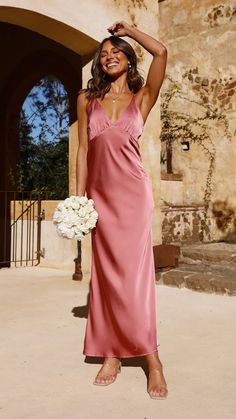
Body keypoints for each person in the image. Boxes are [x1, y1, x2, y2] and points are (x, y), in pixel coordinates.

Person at [76, 21, 168, 400]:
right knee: (106, 277)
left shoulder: (142, 97)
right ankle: (111, 353)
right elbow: (83, 151)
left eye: (117, 52)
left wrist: (129, 31)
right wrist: (80, 200)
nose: (109, 56)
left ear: (129, 60)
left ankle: (153, 360)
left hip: (132, 196)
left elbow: (161, 53)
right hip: (100, 198)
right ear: (99, 64)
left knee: (135, 278)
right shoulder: (87, 99)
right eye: (104, 54)